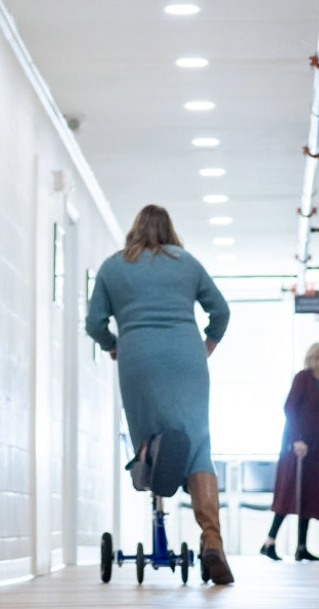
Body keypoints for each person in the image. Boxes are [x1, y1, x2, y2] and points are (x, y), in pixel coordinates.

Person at [86, 204, 233, 585]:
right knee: (198, 446)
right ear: (170, 230)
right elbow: (221, 311)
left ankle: (155, 500)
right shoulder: (187, 263)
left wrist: (113, 345)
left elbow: (94, 322)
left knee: (151, 440)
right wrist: (208, 345)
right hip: (187, 359)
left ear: (134, 230)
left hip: (138, 359)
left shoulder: (112, 267)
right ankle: (212, 540)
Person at [260, 342, 319, 562]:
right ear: (315, 358)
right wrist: (298, 439)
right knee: (289, 494)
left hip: (317, 452)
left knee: (308, 498)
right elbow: (289, 408)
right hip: (297, 449)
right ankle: (269, 542)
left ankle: (301, 547)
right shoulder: (304, 378)